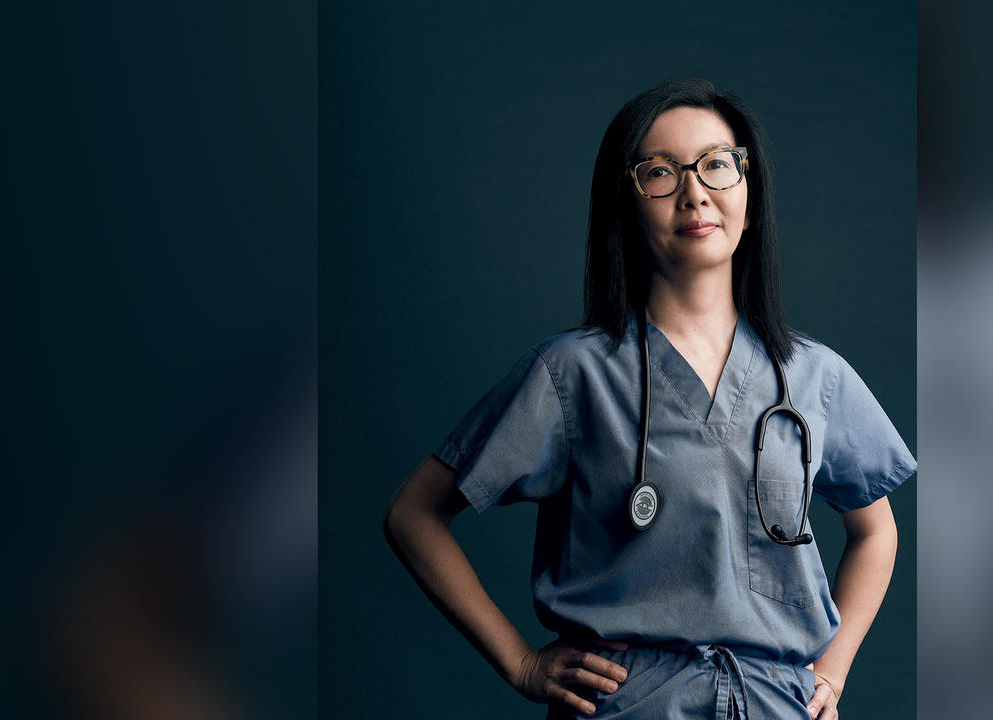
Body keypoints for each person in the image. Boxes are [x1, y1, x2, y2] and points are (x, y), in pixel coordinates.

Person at [384, 77, 917, 719]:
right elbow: (414, 513)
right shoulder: (571, 374)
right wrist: (521, 662)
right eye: (659, 173)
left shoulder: (814, 376)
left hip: (775, 706)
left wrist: (831, 672)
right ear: (625, 205)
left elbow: (876, 530)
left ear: (750, 195)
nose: (695, 192)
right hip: (628, 706)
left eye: (717, 165)